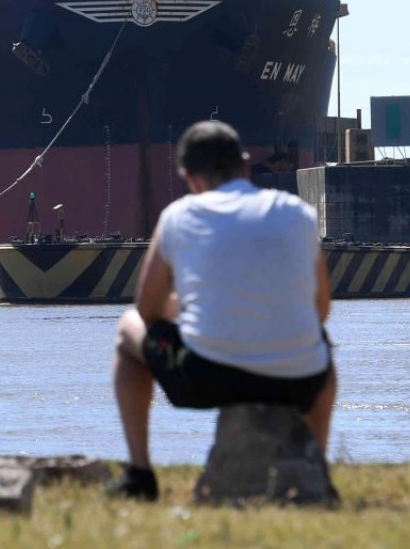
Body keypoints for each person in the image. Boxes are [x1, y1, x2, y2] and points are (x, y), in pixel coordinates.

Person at [106, 120, 336, 501]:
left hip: (205, 377)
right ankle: (319, 469)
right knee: (320, 343)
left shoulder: (178, 216)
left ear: (188, 177)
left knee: (126, 327)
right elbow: (320, 309)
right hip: (297, 382)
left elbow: (146, 309)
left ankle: (140, 474)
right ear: (245, 164)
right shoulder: (298, 213)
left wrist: (187, 308)